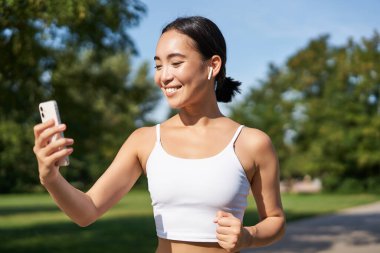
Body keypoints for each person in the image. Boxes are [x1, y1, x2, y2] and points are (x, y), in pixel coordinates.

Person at [33, 16, 285, 253]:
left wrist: (248, 235)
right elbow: (86, 211)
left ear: (213, 65)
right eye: (158, 65)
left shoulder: (252, 143)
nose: (164, 76)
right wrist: (50, 177)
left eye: (176, 63)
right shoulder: (144, 141)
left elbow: (275, 221)